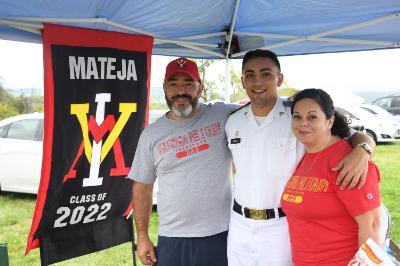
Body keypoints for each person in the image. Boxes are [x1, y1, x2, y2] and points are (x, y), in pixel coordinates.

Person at [225, 49, 376, 265]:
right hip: (239, 225)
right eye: (250, 75)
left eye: (266, 74)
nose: (257, 81)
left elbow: (353, 136)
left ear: (279, 79)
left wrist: (363, 150)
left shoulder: (297, 115)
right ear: (242, 81)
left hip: (281, 226)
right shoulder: (233, 121)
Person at [128, 57, 237, 266]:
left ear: (200, 87)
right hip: (173, 237)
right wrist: (142, 236)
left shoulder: (222, 114)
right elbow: (142, 186)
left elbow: (262, 106)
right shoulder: (152, 134)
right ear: (164, 88)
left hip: (222, 233)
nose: (181, 91)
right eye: (173, 84)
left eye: (188, 83)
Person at [281, 88, 381, 265]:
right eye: (297, 116)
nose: (303, 123)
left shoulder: (349, 162)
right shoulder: (305, 157)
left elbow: (372, 226)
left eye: (312, 117)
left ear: (330, 121)